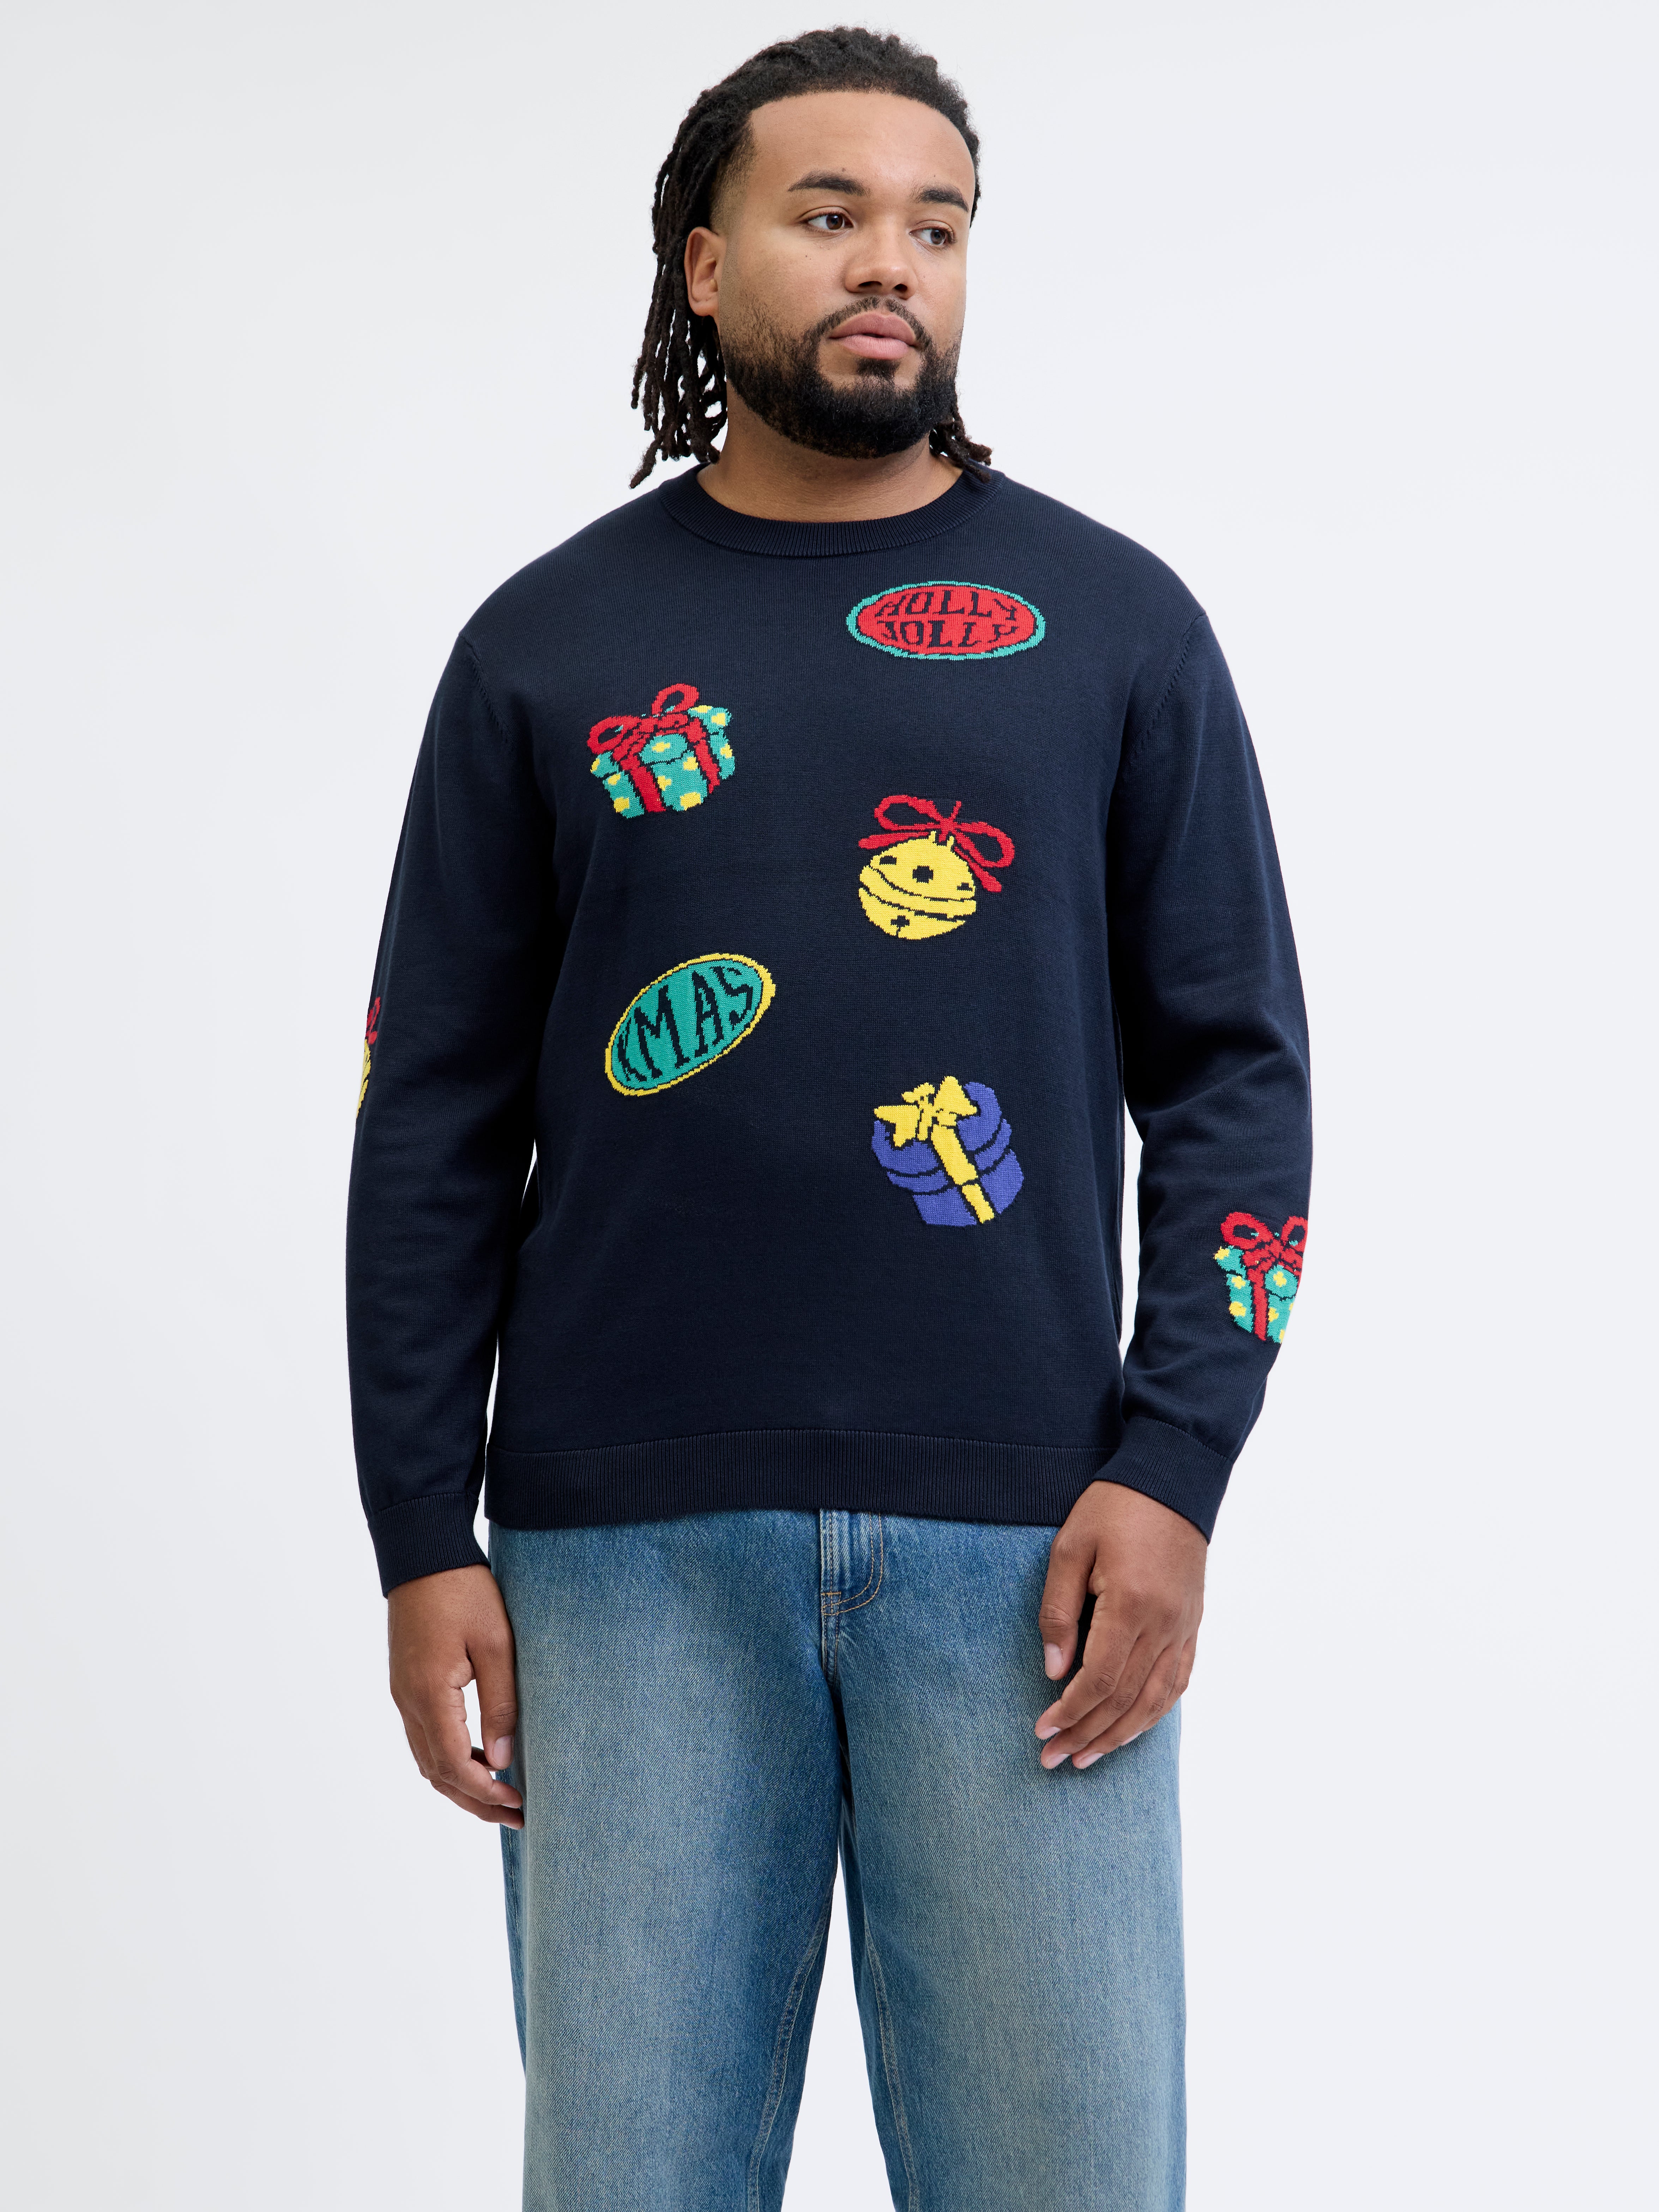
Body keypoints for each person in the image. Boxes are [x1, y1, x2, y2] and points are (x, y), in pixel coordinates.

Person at [346, 26, 1311, 2211]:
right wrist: (421, 1533)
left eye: (937, 226)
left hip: (1031, 1546)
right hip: (620, 1553)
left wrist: (1177, 1466)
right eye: (831, 214)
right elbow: (432, 1116)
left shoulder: (1117, 630)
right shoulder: (544, 649)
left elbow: (1239, 1070)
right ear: (703, 265)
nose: (894, 263)